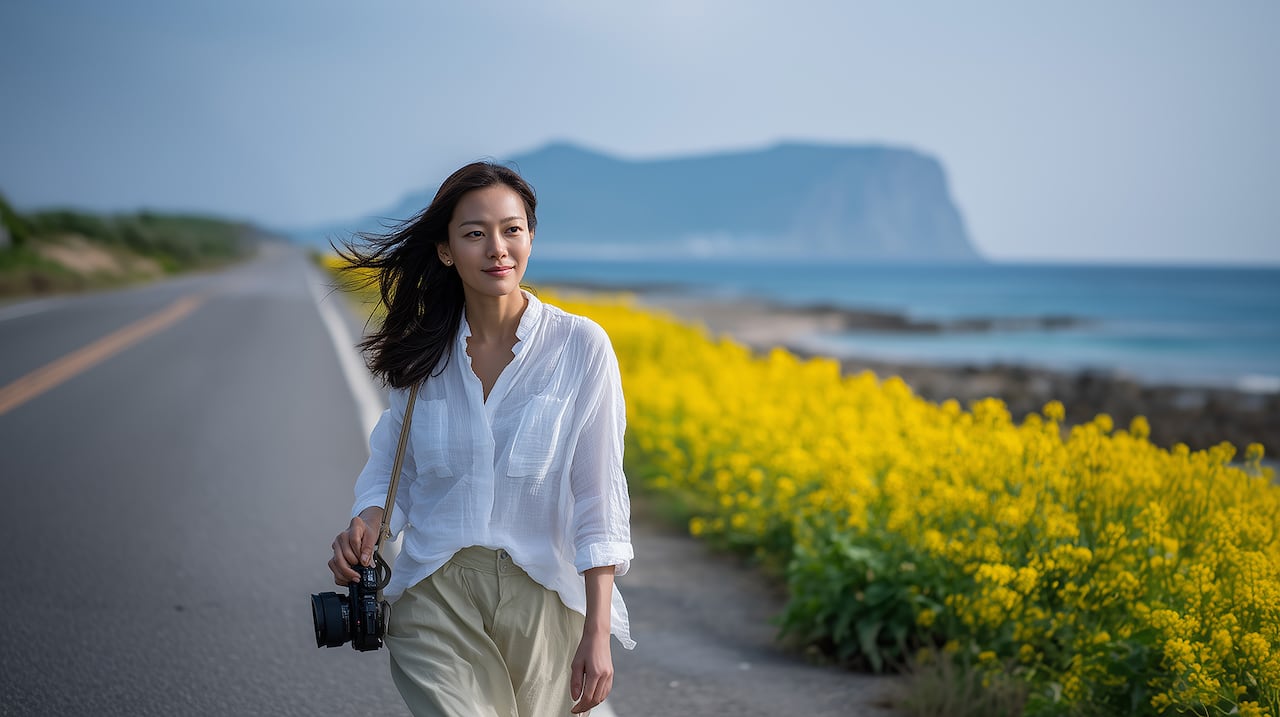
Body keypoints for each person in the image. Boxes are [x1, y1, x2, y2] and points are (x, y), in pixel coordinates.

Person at [327, 162, 635, 717]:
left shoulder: (580, 347)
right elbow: (393, 463)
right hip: (435, 594)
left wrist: (598, 630)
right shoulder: (423, 353)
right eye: (475, 233)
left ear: (531, 237)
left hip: (540, 600)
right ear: (446, 250)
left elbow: (599, 497)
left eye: (512, 230)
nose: (498, 248)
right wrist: (369, 518)